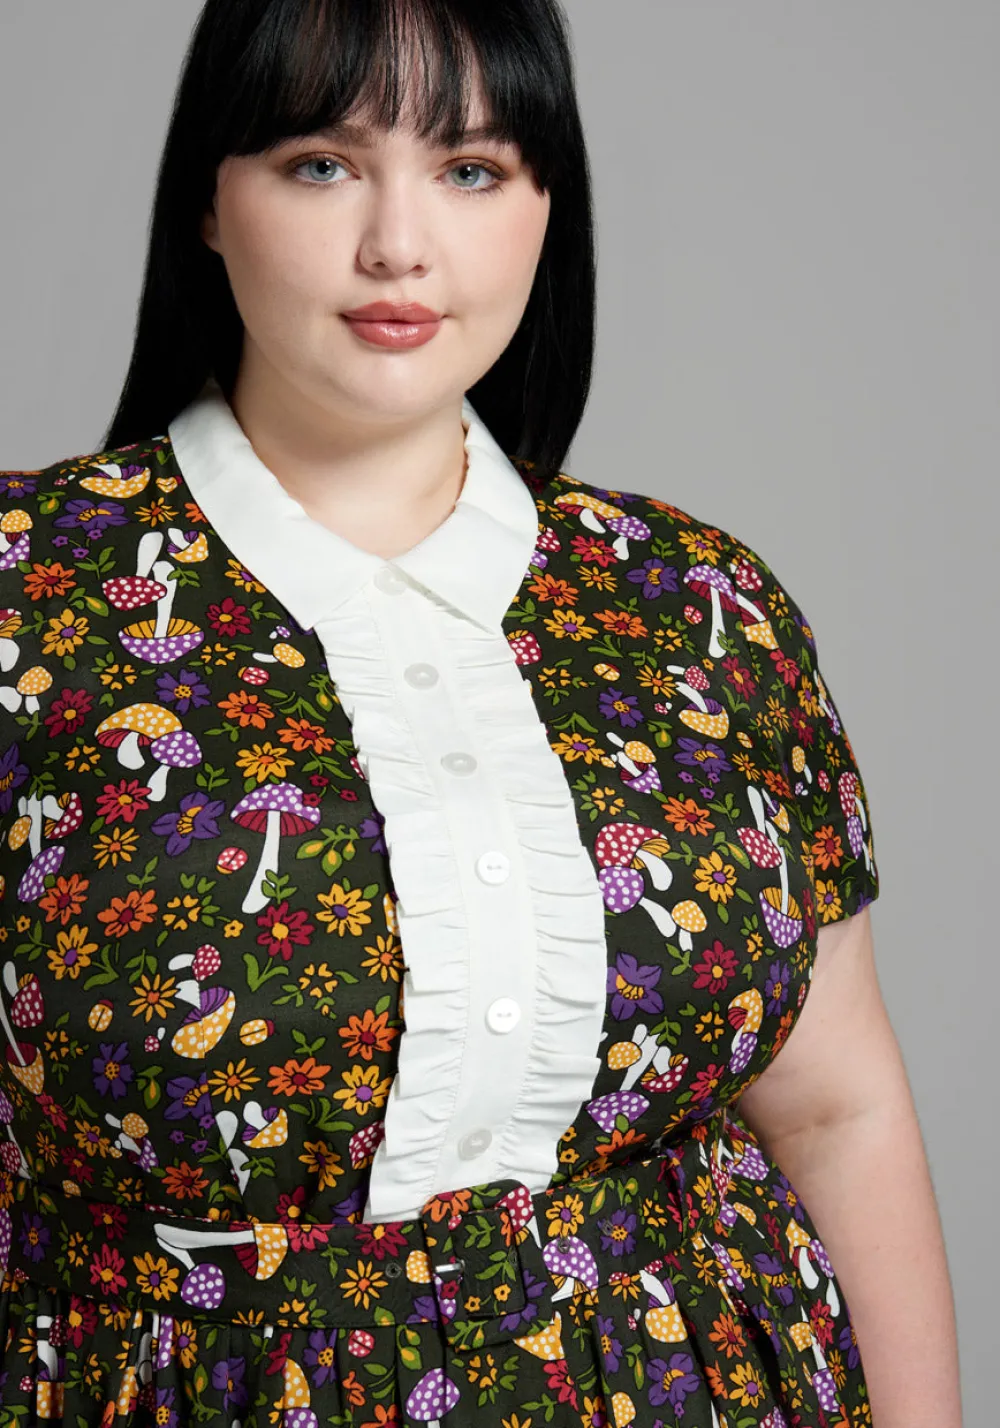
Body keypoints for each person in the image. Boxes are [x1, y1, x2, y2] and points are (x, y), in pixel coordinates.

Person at [0, 1, 961, 1425]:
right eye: (322, 164)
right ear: (209, 198)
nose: (400, 244)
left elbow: (836, 1110)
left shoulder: (698, 602)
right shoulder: (33, 595)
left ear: (544, 208)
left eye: (471, 170)